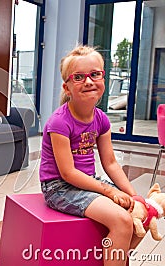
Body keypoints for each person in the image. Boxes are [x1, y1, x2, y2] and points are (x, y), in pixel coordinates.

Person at [39, 45, 143, 266]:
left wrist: (133, 195)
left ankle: (108, 258)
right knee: (122, 220)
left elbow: (111, 163)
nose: (88, 81)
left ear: (103, 79)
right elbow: (67, 173)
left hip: (86, 182)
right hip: (59, 187)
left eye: (95, 74)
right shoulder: (59, 122)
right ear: (67, 87)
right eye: (79, 77)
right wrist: (110, 191)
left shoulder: (101, 119)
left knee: (137, 214)